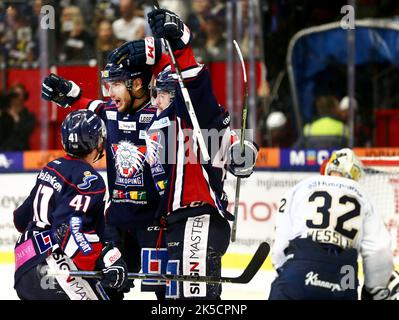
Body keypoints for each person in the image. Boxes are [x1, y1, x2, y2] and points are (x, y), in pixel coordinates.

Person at [108, 8, 258, 299]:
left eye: (163, 94)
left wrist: (245, 152)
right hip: (172, 225)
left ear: (177, 96)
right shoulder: (155, 124)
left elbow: (216, 119)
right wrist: (153, 51)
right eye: (155, 93)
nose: (157, 100)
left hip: (199, 220)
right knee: (173, 300)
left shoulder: (193, 119)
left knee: (193, 301)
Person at [41, 36, 167, 300]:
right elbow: (87, 104)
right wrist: (68, 92)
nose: (110, 92)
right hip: (116, 222)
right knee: (105, 291)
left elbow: (204, 125)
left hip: (154, 223)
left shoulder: (162, 115)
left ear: (138, 83)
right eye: (108, 84)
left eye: (117, 84)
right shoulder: (109, 110)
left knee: (165, 295)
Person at [13, 109, 128, 300]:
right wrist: (103, 260)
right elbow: (68, 228)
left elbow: (20, 219)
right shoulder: (90, 180)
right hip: (51, 267)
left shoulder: (50, 168)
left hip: (23, 268)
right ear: (99, 142)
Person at [269, 148, 396, 300]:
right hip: (344, 275)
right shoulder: (363, 194)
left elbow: (280, 246)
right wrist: (374, 289)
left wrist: (286, 271)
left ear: (328, 166)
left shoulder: (300, 188)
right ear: (355, 173)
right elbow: (379, 250)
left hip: (299, 267)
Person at [0, 84, 36, 151]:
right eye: (14, 95)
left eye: (19, 95)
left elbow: (23, 135)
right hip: (3, 153)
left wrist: (15, 117)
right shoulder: (4, 115)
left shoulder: (29, 117)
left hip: (21, 153)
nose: (17, 98)